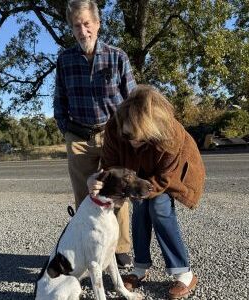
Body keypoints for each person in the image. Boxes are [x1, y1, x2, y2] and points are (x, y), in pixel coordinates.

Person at [87, 85, 206, 299]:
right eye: (128, 135)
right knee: (140, 208)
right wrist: (100, 181)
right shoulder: (115, 126)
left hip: (169, 174)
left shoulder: (170, 134)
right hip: (137, 175)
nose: (133, 142)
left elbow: (163, 179)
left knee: (159, 207)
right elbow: (110, 165)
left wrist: (138, 190)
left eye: (140, 138)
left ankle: (183, 272)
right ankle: (140, 268)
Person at [53, 0, 137, 268]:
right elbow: (59, 100)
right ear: (72, 28)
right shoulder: (64, 60)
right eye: (77, 25)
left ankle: (120, 248)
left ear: (98, 24)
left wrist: (129, 134)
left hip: (113, 136)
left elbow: (133, 100)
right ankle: (88, 247)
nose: (83, 30)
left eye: (87, 23)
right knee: (86, 196)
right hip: (78, 137)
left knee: (119, 193)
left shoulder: (117, 57)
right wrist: (66, 129)